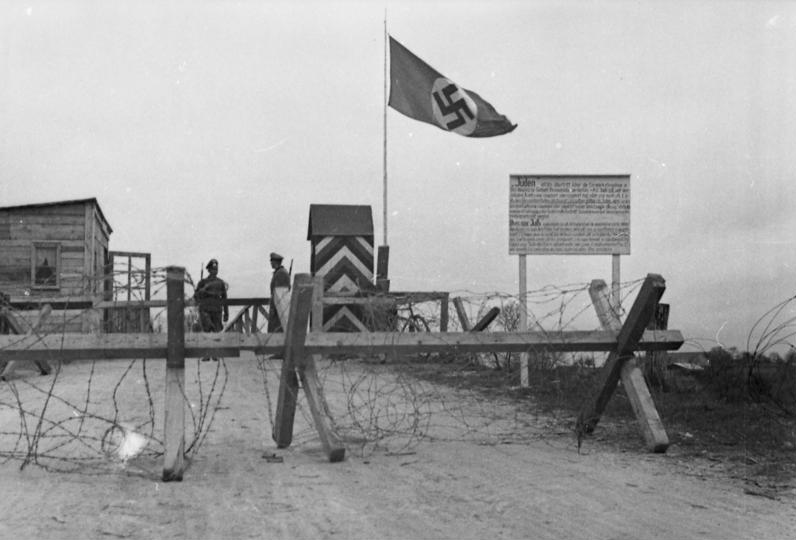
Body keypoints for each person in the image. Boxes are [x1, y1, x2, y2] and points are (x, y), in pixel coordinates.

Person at [194, 259, 229, 360]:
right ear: (209, 270)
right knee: (207, 331)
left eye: (216, 269)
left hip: (217, 310)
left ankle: (215, 354)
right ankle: (206, 354)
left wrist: (226, 313)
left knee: (217, 331)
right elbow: (196, 296)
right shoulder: (203, 282)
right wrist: (201, 292)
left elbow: (224, 299)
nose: (215, 271)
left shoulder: (220, 283)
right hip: (205, 310)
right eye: (213, 269)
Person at [267, 252, 290, 333]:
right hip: (277, 307)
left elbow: (280, 294)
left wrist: (274, 307)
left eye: (271, 261)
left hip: (279, 308)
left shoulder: (281, 273)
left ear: (275, 262)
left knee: (277, 330)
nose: (270, 263)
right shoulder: (279, 272)